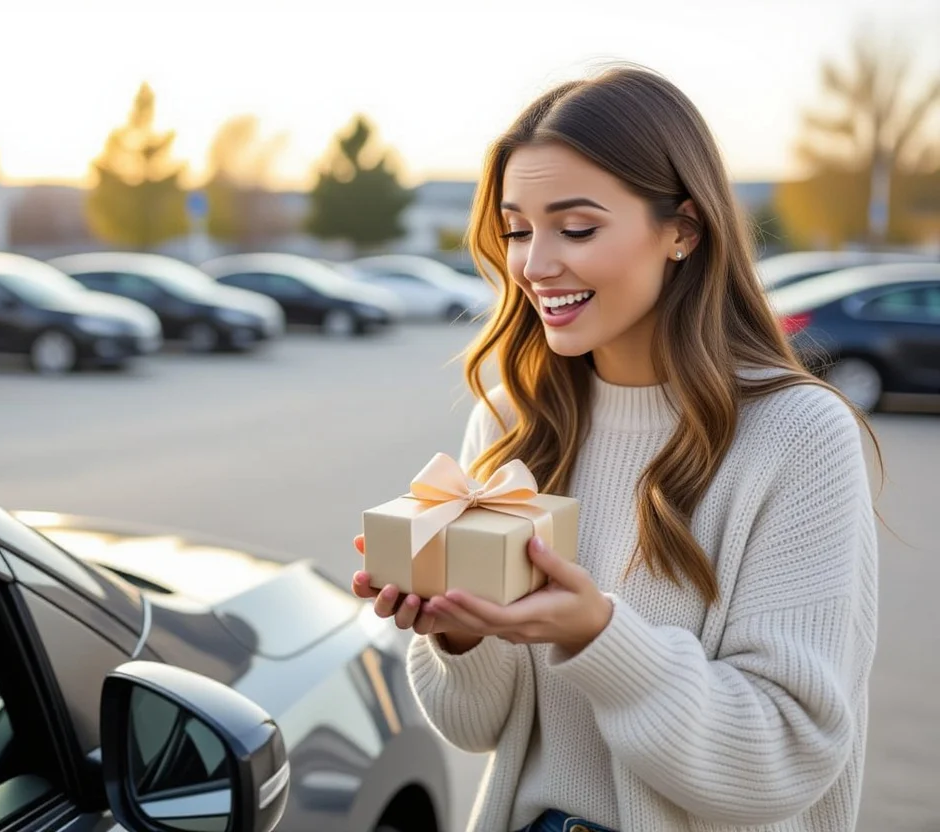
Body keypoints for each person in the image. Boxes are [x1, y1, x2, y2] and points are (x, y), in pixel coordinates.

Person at [351, 65, 880, 832]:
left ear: (683, 230)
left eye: (576, 227)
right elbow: (478, 729)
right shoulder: (509, 423)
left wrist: (595, 634)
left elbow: (785, 757)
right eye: (517, 229)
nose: (533, 264)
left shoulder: (797, 435)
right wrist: (461, 631)